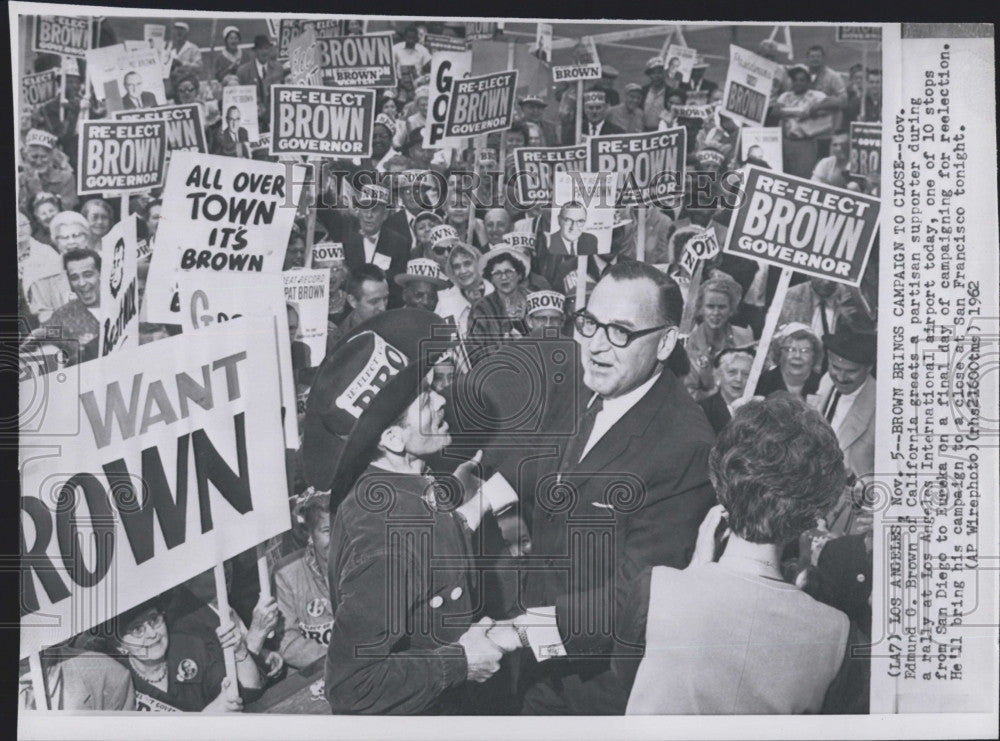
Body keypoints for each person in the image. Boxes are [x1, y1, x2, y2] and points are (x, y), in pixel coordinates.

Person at [484, 261, 715, 714]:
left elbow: (635, 598)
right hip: (521, 651)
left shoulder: (686, 447)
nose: (595, 346)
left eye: (621, 332)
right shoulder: (577, 379)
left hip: (588, 689)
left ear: (666, 342)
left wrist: (520, 633)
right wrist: (511, 540)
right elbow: (514, 473)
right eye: (589, 323)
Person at [301, 310, 518, 713]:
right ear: (392, 438)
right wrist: (461, 662)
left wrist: (483, 499)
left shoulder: (391, 482)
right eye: (424, 398)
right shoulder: (384, 537)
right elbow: (352, 686)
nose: (440, 398)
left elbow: (430, 555)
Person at [625, 395, 850, 714]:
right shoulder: (837, 634)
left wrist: (693, 577)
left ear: (720, 480)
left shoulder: (657, 590)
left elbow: (628, 680)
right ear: (815, 511)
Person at [107, 597, 257, 712]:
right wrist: (206, 718)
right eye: (137, 630)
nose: (152, 634)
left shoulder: (188, 646)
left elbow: (248, 694)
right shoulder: (115, 682)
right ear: (120, 646)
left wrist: (239, 651)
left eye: (154, 620)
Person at [274, 489, 335, 670]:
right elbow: (286, 641)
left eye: (341, 528)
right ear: (309, 533)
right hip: (314, 675)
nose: (337, 538)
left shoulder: (363, 560)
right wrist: (337, 661)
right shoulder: (286, 573)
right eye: (326, 530)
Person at [814, 322, 877, 480]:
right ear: (828, 359)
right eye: (835, 367)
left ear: (868, 368)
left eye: (851, 371)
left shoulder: (881, 406)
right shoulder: (826, 381)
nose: (841, 378)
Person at [684, 275, 754, 400]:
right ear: (701, 308)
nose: (716, 313)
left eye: (722, 307)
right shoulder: (689, 343)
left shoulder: (745, 336)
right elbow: (688, 393)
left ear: (731, 309)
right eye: (710, 306)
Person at [343, 184, 411, 304]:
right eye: (365, 209)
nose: (369, 215)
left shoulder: (399, 243)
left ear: (385, 215)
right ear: (358, 212)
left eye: (374, 210)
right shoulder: (347, 241)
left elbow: (399, 286)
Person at [467, 246, 533, 353]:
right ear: (491, 279)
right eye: (497, 273)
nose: (503, 277)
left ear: (519, 274)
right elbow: (474, 350)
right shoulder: (482, 307)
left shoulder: (533, 300)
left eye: (509, 272)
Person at [776, 64, 831, 178]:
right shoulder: (785, 96)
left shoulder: (816, 96)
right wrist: (795, 112)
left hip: (805, 142)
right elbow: (776, 112)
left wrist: (812, 112)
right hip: (786, 141)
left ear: (808, 82)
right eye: (795, 80)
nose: (798, 83)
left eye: (802, 80)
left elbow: (829, 109)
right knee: (785, 174)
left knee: (803, 175)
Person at [19, 210, 72, 325]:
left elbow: (59, 294)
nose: (19, 230)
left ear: (31, 226)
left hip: (41, 317)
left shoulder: (46, 252)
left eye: (23, 224)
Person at [436, 240, 493, 339]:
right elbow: (443, 343)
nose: (463, 271)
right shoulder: (445, 303)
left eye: (467, 264)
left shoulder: (497, 293)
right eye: (457, 266)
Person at [326, 263, 390, 350]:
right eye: (374, 301)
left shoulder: (396, 328)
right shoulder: (336, 342)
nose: (382, 307)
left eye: (385, 299)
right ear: (353, 301)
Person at [756, 323, 824, 399]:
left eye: (805, 351)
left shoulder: (823, 384)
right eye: (791, 350)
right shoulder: (764, 382)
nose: (797, 356)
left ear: (814, 355)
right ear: (780, 353)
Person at [698, 346, 754, 434]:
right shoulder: (703, 410)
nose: (739, 379)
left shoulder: (756, 410)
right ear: (719, 374)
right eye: (732, 372)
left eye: (746, 374)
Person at [19, 128, 77, 212]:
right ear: (26, 156)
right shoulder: (20, 179)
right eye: (34, 157)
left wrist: (37, 191)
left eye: (43, 157)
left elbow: (66, 210)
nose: (39, 162)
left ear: (52, 156)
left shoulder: (66, 178)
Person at [237, 35, 282, 133]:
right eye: (261, 49)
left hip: (274, 119)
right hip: (252, 121)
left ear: (270, 50)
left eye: (266, 48)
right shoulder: (243, 72)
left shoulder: (278, 68)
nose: (264, 52)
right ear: (255, 51)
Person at [640, 56, 670, 131]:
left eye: (660, 72)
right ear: (649, 75)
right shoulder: (643, 91)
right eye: (653, 73)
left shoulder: (671, 92)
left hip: (663, 131)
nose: (657, 76)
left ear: (664, 73)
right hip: (644, 130)